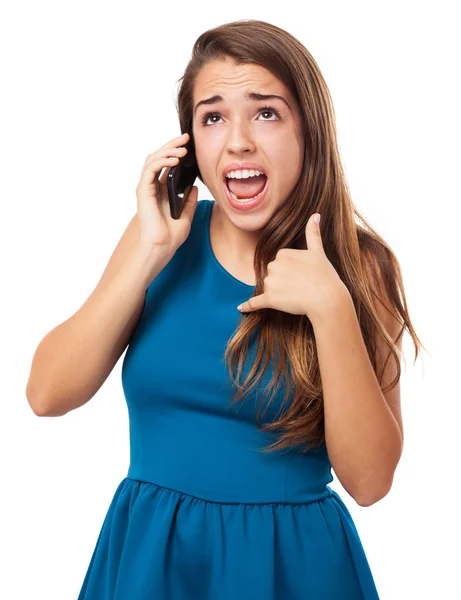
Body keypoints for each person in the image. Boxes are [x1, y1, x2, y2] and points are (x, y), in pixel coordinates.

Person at [26, 19, 424, 600]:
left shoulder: (361, 268)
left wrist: (331, 309)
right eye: (213, 116)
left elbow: (370, 482)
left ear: (308, 130)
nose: (238, 140)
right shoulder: (160, 237)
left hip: (292, 568)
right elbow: (47, 394)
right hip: (152, 557)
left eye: (266, 112)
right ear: (189, 141)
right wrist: (150, 254)